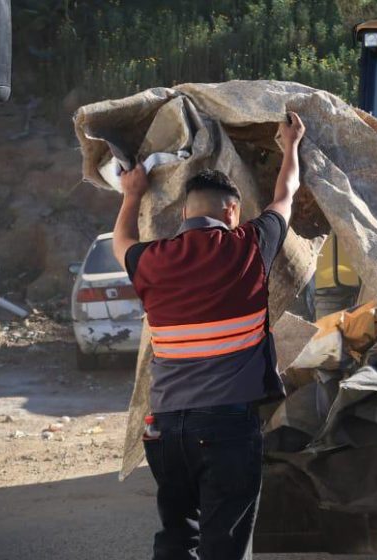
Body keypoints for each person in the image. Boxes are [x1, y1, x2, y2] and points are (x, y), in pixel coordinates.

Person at [111, 112, 306, 560]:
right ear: (232, 211)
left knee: (177, 537)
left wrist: (132, 194)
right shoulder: (249, 246)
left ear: (183, 213)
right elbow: (286, 194)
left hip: (164, 430)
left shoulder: (151, 259)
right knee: (223, 546)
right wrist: (290, 144)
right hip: (225, 429)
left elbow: (120, 241)